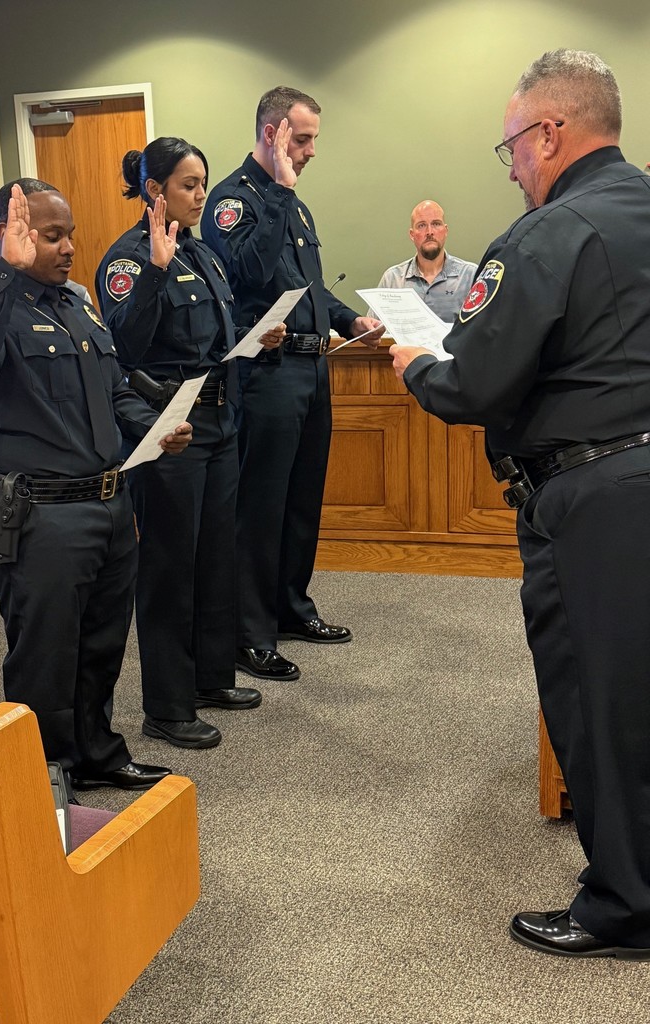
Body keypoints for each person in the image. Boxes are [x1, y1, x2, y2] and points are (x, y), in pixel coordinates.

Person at [391, 49, 650, 959]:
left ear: (549, 132)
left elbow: (476, 384)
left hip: (594, 500)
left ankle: (624, 905)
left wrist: (416, 364)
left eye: (510, 149)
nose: (513, 169)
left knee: (597, 699)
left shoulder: (543, 236)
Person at [0, 177, 193, 792]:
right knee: (45, 655)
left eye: (70, 234)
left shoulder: (77, 305)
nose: (68, 247)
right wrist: (4, 274)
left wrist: (156, 429)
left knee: (101, 646)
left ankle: (95, 755)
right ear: (12, 236)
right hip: (39, 517)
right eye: (51, 236)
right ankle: (35, 779)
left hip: (107, 506)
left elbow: (112, 393)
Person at [96, 139, 285, 750]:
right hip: (167, 427)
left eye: (203, 183)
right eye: (187, 184)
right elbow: (124, 346)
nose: (201, 195)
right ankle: (168, 705)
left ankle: (210, 678)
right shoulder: (128, 260)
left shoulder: (203, 253)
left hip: (219, 421)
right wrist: (154, 270)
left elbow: (210, 345)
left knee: (214, 556)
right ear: (155, 191)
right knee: (171, 565)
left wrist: (258, 339)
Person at [201, 86, 384, 682]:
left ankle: (288, 608)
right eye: (301, 139)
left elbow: (305, 284)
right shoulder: (234, 200)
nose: (309, 152)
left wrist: (347, 318)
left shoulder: (295, 207)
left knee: (302, 499)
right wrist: (280, 189)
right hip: (266, 373)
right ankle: (248, 633)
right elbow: (249, 271)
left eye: (312, 141)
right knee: (260, 505)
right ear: (273, 133)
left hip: (312, 367)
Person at [373, 200, 477, 323]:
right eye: (421, 225)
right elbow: (374, 333)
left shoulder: (470, 276)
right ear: (412, 235)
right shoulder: (393, 280)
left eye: (436, 224)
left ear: (445, 230)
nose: (429, 232)